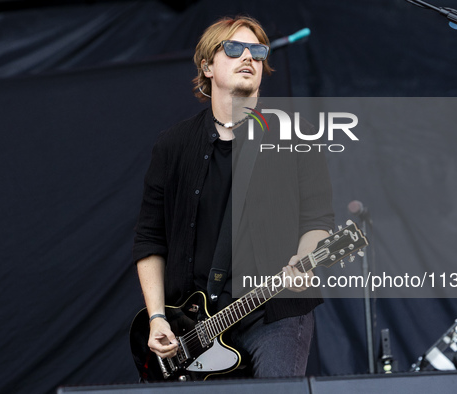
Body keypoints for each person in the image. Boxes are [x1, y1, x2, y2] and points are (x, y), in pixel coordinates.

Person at [132, 16, 334, 378]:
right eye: (234, 48)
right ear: (207, 66)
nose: (249, 57)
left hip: (274, 312)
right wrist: (158, 317)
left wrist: (305, 260)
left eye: (258, 51)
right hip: (191, 325)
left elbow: (318, 220)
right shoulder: (173, 145)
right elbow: (150, 239)